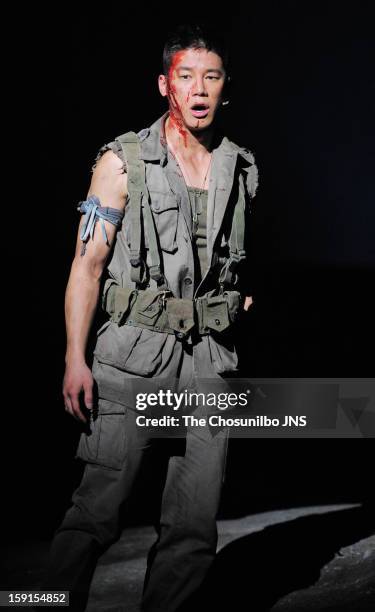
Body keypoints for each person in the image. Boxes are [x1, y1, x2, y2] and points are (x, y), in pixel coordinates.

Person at [41, 22, 258, 612]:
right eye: (186, 76)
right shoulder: (123, 161)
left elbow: (231, 258)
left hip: (208, 362)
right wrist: (73, 359)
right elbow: (88, 265)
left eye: (211, 77)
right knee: (95, 512)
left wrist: (234, 298)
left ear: (224, 87)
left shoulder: (237, 167)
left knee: (193, 526)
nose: (199, 89)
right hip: (134, 356)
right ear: (165, 84)